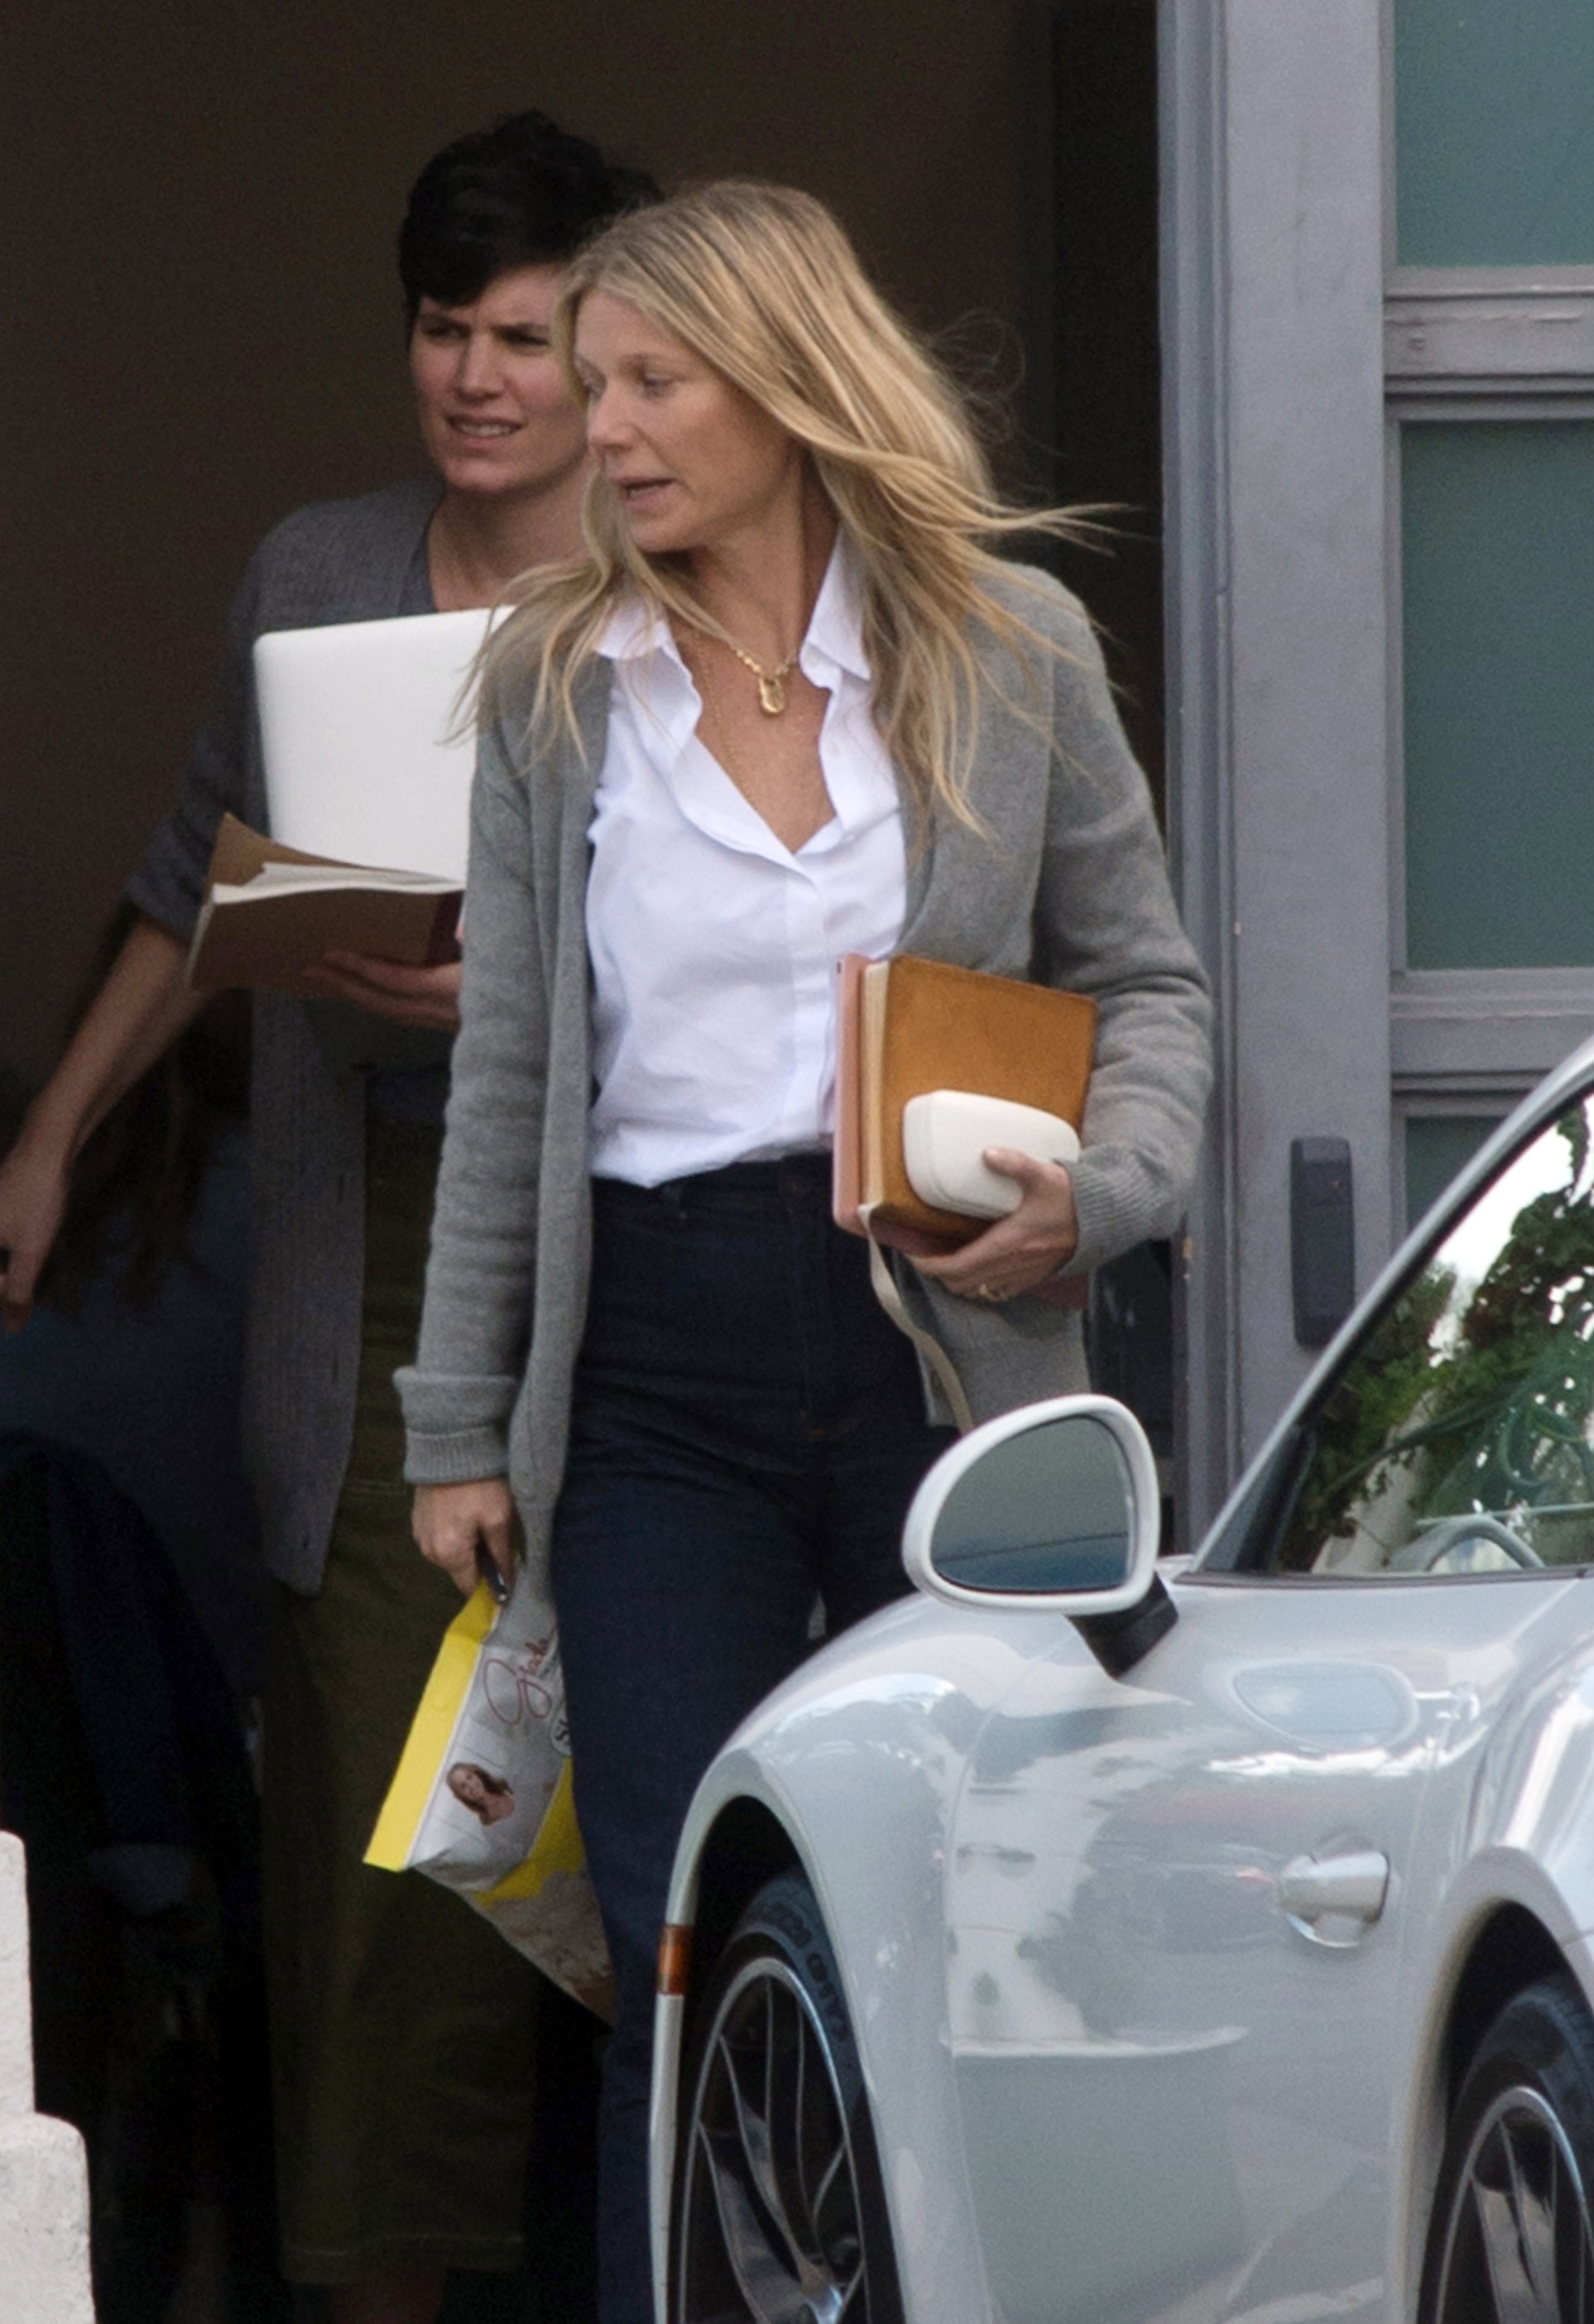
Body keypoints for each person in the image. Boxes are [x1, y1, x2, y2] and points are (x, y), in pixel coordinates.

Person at [400, 180, 1213, 2322]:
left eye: (648, 382)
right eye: (594, 386)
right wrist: (455, 1419)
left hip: (942, 1348)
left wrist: (1105, 1187)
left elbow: (1147, 983)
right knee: (682, 1925)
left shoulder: (1008, 646)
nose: (603, 429)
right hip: (650, 1366)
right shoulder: (555, 681)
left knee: (975, 1915)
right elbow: (507, 1072)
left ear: (782, 382)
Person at [0, 113, 656, 2324]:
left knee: (650, 1800)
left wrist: (534, 996)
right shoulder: (322, 565)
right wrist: (52, 1143)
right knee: (388, 1848)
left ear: (611, 352)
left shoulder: (688, 582)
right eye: (442, 329)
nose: (476, 377)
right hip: (372, 1257)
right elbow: (202, 872)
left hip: (638, 1259)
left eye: (525, 338)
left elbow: (798, 941)